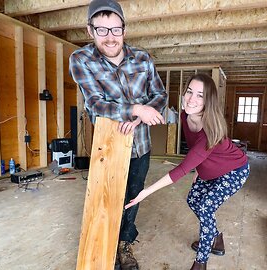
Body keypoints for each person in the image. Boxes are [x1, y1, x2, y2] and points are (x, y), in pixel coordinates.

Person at [68, 0, 167, 269]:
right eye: (102, 30)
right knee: (105, 197)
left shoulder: (143, 59)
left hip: (141, 145)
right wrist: (136, 108)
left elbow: (161, 95)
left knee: (133, 196)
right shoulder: (81, 60)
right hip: (107, 147)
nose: (110, 37)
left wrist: (138, 118)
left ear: (124, 29)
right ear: (90, 31)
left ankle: (124, 244)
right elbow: (96, 104)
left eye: (116, 29)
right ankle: (103, 248)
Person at [125, 73, 250, 270]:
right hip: (210, 168)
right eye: (189, 91)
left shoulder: (208, 134)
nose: (192, 98)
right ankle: (216, 237)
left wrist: (145, 192)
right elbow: (157, 116)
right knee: (193, 200)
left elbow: (182, 169)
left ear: (208, 101)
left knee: (206, 207)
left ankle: (201, 262)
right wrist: (136, 121)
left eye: (200, 95)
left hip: (234, 171)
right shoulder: (185, 115)